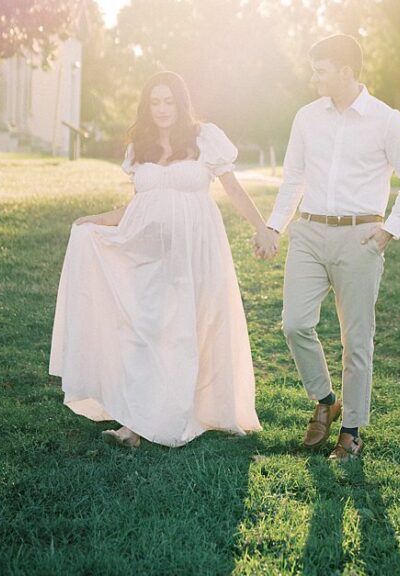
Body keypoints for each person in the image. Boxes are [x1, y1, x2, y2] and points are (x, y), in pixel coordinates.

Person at [49, 71, 267, 448]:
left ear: (181, 104)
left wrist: (263, 227)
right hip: (147, 251)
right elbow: (138, 205)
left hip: (195, 253)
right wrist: (95, 221)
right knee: (143, 331)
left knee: (185, 331)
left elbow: (232, 189)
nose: (162, 109)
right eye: (155, 102)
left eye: (169, 101)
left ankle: (183, 412)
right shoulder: (140, 147)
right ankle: (134, 423)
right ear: (146, 106)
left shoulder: (204, 138)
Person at [254, 34, 400, 460]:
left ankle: (350, 429)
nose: (313, 77)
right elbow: (293, 178)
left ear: (346, 71)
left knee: (356, 339)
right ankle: (325, 398)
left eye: (321, 69)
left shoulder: (387, 120)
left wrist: (388, 230)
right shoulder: (307, 117)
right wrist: (275, 227)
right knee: (294, 323)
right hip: (309, 233)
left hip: (360, 237)